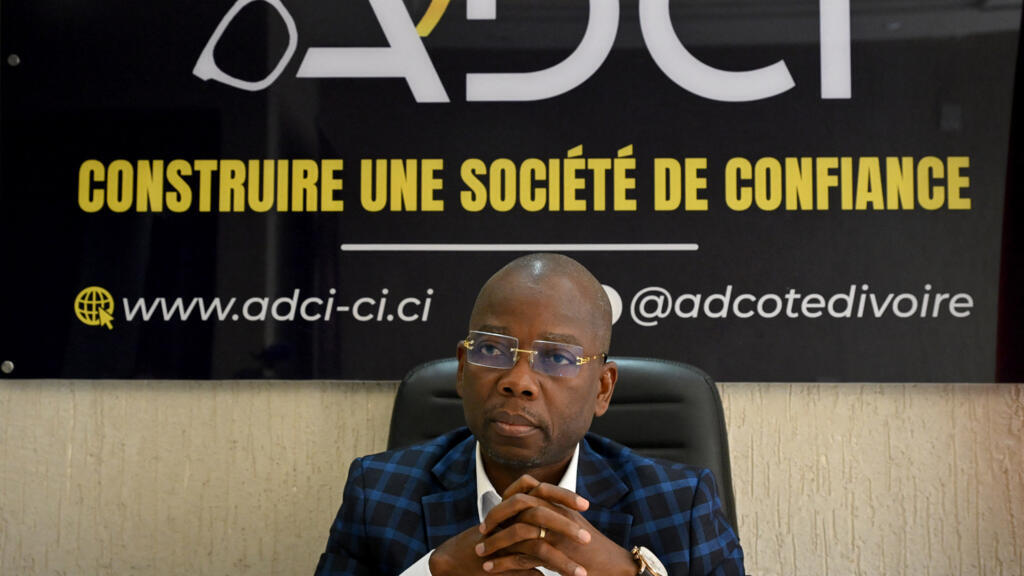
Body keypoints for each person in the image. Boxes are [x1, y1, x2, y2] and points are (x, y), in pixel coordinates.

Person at [314, 253, 744, 576]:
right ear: (463, 369)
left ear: (602, 388)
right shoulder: (378, 494)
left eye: (557, 357)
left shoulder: (681, 506)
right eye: (491, 349)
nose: (518, 381)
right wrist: (433, 570)